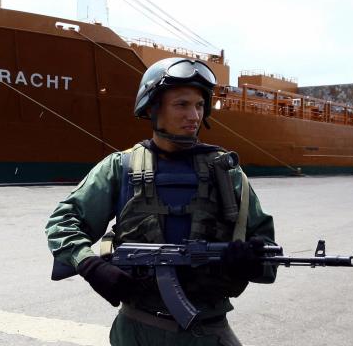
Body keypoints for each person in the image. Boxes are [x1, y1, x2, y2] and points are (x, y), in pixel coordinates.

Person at [45, 57, 277, 346]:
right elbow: (63, 222)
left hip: (208, 329)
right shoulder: (122, 167)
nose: (193, 115)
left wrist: (250, 260)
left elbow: (265, 243)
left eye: (199, 105)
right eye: (181, 105)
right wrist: (88, 263)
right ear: (153, 108)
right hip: (139, 330)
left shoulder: (227, 172)